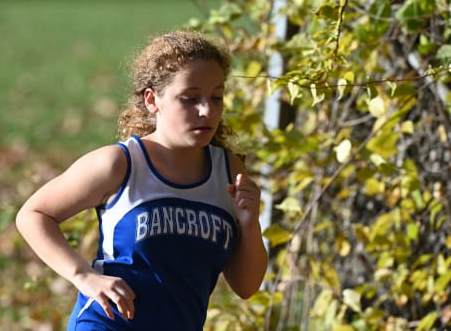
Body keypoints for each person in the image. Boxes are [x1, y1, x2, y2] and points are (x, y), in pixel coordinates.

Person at [16, 30, 268, 330]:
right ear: (152, 100)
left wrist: (250, 225)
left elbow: (246, 286)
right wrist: (83, 277)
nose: (207, 110)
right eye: (189, 99)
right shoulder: (121, 164)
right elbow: (33, 215)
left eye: (216, 97)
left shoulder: (228, 170)